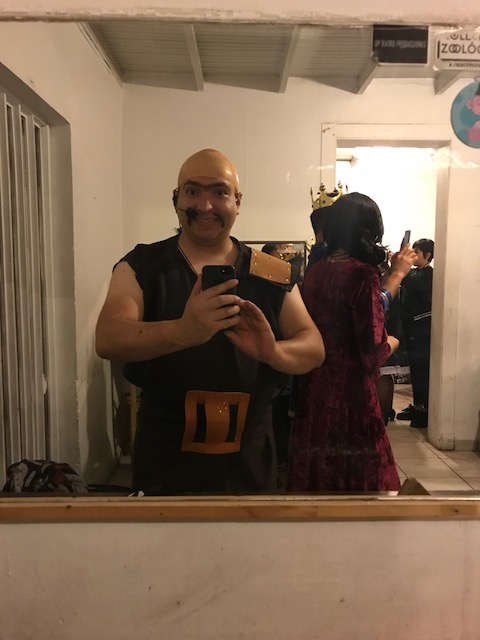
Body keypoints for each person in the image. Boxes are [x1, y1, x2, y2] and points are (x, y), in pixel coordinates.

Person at [95, 148, 325, 495]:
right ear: (176, 199)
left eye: (219, 192)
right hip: (166, 457)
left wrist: (272, 352)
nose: (205, 205)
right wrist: (181, 332)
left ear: (238, 201)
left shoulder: (272, 272)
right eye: (192, 191)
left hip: (250, 457)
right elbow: (108, 338)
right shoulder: (142, 265)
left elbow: (314, 347)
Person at [287, 192, 401, 493]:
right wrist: (392, 342)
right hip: (352, 396)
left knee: (318, 471)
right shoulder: (361, 273)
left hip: (315, 386)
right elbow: (371, 352)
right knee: (361, 480)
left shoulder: (317, 270)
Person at [397, 238, 434, 428]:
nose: (413, 255)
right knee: (415, 370)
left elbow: (412, 284)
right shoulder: (415, 273)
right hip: (411, 329)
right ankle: (418, 406)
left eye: (416, 253)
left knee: (421, 371)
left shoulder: (428, 274)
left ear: (428, 255)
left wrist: (400, 269)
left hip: (422, 330)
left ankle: (424, 410)